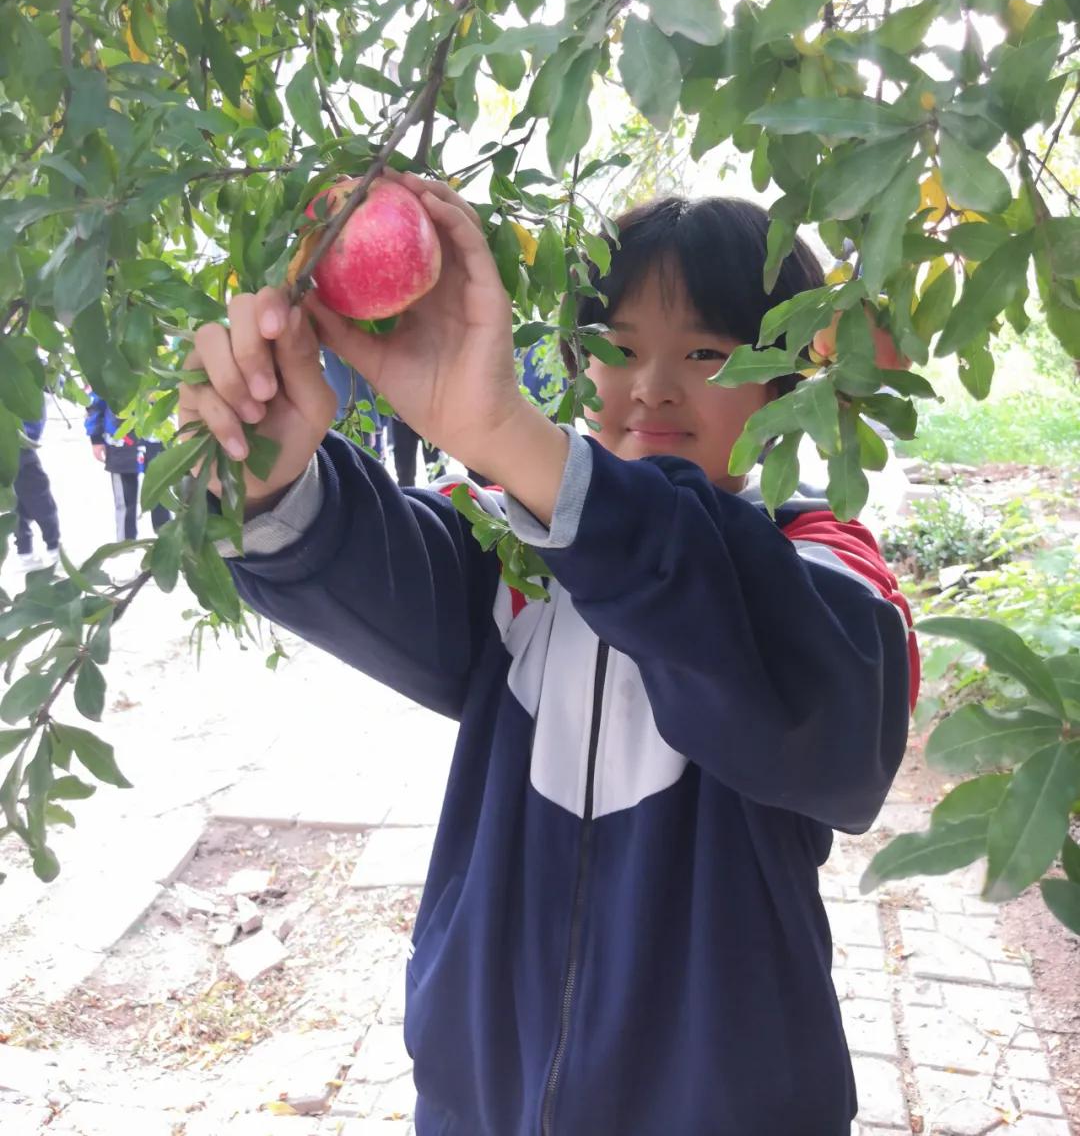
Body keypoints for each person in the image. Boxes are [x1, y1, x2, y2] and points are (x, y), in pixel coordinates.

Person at [179, 174, 919, 1136]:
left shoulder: (818, 568)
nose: (651, 385)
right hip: (485, 1094)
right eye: (617, 349)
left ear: (789, 382)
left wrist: (517, 444)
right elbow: (368, 561)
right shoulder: (516, 552)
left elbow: (830, 729)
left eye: (705, 351)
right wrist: (272, 481)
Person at [85, 394, 171, 541]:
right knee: (125, 497)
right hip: (121, 439)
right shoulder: (109, 371)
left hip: (155, 435)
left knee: (160, 490)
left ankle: (166, 534)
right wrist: (96, 438)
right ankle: (126, 541)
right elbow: (95, 402)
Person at [14, 399, 61, 573]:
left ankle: (25, 552)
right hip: (20, 448)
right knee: (40, 500)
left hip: (15, 449)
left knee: (17, 501)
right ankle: (53, 548)